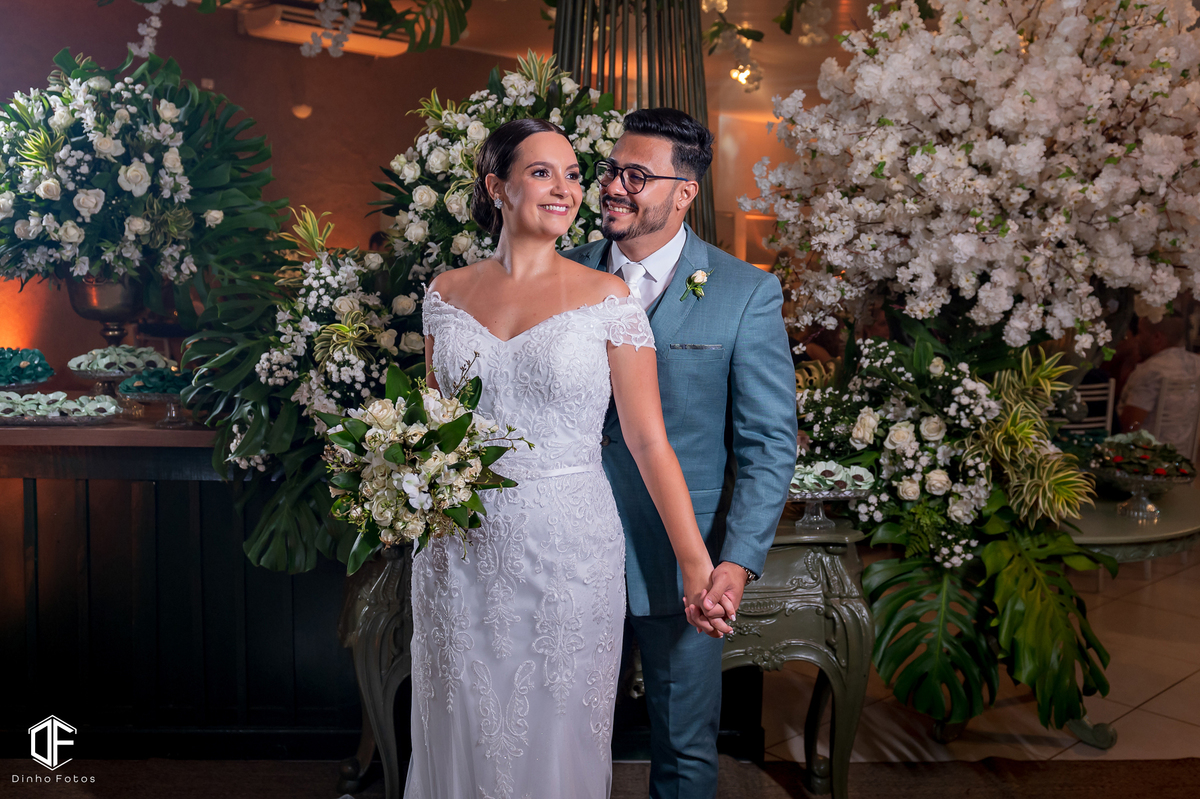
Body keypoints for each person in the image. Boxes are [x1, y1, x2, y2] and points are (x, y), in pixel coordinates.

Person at [409, 118, 715, 799]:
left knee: (553, 731)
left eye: (574, 175)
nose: (567, 189)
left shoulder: (608, 299)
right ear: (498, 186)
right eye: (543, 172)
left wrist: (695, 564)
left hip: (567, 550)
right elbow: (434, 428)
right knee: (459, 721)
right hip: (456, 549)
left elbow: (648, 441)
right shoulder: (445, 294)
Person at [563, 108, 797, 799]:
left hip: (683, 561)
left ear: (685, 192)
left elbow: (767, 443)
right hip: (563, 549)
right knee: (554, 739)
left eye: (637, 176)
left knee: (686, 751)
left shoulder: (745, 292)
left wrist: (736, 561)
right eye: (611, 170)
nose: (614, 187)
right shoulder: (560, 273)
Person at [1118, 316, 1200, 454]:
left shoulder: (1151, 371)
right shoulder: (1197, 364)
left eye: (1140, 332)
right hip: (1183, 456)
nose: (1137, 338)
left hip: (1147, 457)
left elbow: (1130, 426)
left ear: (1157, 337)